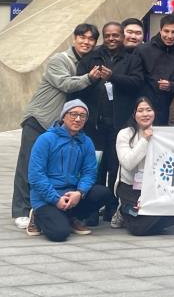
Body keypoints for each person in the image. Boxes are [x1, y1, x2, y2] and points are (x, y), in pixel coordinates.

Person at [12, 23, 100, 230]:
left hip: (60, 125)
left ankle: (49, 207)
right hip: (40, 119)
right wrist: (90, 78)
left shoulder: (86, 62)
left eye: (91, 39)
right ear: (74, 38)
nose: (86, 42)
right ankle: (21, 210)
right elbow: (66, 84)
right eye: (82, 37)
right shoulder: (60, 59)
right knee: (27, 166)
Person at [74, 21, 142, 225]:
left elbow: (137, 83)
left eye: (116, 35)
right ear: (104, 37)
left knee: (115, 167)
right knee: (94, 167)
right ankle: (91, 209)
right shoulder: (92, 57)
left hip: (118, 124)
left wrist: (115, 77)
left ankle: (112, 207)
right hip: (94, 124)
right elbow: (78, 84)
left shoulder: (132, 58)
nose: (112, 38)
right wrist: (92, 78)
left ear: (122, 36)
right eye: (108, 35)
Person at [27, 100, 110, 241]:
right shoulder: (46, 139)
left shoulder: (86, 142)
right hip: (47, 197)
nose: (78, 119)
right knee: (59, 233)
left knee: (103, 193)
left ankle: (72, 217)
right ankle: (36, 215)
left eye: (82, 116)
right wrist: (55, 199)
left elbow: (89, 172)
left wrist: (80, 192)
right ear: (63, 116)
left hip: (72, 194)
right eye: (73, 114)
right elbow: (36, 175)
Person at [115, 97, 174, 235]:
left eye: (149, 110)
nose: (145, 114)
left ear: (154, 112)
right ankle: (122, 211)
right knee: (138, 229)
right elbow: (128, 163)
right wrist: (145, 139)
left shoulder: (163, 134)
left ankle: (148, 214)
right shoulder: (125, 134)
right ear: (134, 114)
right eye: (140, 110)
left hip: (154, 187)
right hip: (129, 186)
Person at [135, 14, 174, 126]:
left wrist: (171, 86)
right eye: (166, 31)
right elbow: (137, 78)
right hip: (145, 106)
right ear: (160, 30)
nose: (169, 36)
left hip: (173, 107)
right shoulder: (143, 50)